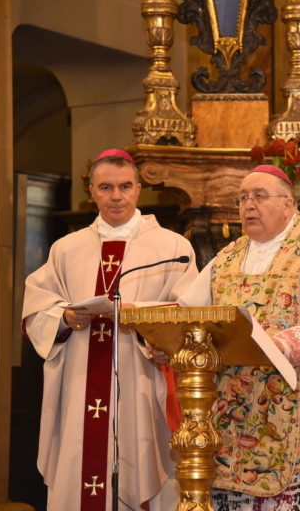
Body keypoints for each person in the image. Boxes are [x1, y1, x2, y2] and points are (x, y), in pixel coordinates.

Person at [178, 164, 300, 511]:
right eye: (242, 198)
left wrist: (284, 344)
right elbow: (190, 313)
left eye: (259, 196)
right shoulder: (226, 259)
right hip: (232, 414)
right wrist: (168, 339)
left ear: (289, 204)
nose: (248, 205)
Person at [22, 148, 198, 511]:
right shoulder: (67, 249)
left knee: (141, 457)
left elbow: (190, 313)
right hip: (80, 377)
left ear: (138, 190)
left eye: (124, 186)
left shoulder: (172, 247)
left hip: (141, 376)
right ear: (91, 191)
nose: (116, 196)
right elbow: (37, 307)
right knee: (79, 456)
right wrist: (65, 318)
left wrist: (140, 316)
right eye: (106, 187)